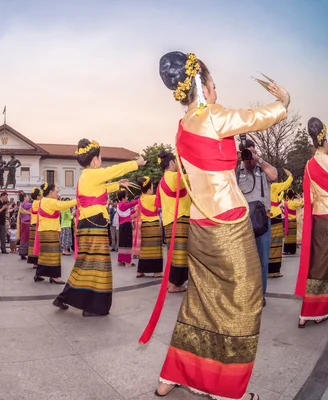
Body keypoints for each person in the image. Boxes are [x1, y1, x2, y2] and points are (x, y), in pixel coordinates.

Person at [152, 51, 289, 399]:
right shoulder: (213, 116)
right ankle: (226, 387)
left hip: (199, 228)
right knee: (245, 300)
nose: (217, 89)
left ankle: (175, 374)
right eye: (214, 83)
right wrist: (284, 101)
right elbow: (259, 117)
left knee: (200, 301)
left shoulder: (182, 128)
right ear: (202, 83)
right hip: (228, 224)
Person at [54, 138, 143, 316]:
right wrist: (136, 163)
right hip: (93, 223)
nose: (101, 161)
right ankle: (92, 306)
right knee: (97, 265)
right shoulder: (92, 174)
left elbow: (100, 188)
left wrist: (118, 185)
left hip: (88, 223)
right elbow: (112, 171)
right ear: (94, 159)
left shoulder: (87, 177)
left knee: (86, 264)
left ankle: (65, 297)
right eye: (100, 157)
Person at [237, 139, 279, 302]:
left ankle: (260, 297)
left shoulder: (263, 169)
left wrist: (258, 159)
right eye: (247, 153)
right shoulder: (236, 170)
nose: (249, 157)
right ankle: (245, 296)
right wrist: (237, 159)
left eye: (252, 152)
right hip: (242, 222)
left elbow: (274, 175)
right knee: (243, 262)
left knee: (262, 261)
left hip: (262, 222)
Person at [296, 117, 328, 328]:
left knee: (318, 264)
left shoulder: (309, 165)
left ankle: (309, 311)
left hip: (319, 221)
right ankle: (317, 311)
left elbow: (309, 198)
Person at [155, 150, 191, 292]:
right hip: (180, 219)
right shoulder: (173, 177)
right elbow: (189, 179)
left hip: (170, 221)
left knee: (174, 254)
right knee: (181, 254)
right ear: (171, 163)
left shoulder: (162, 180)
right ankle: (175, 284)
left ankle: (172, 282)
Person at [33, 183, 76, 284]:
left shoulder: (44, 200)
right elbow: (62, 205)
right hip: (49, 231)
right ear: (51, 192)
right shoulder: (49, 201)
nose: (58, 194)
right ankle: (54, 276)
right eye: (57, 192)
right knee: (54, 254)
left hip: (45, 230)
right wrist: (78, 200)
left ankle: (39, 274)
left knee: (45, 254)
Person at [136, 176, 163, 278]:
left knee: (145, 250)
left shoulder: (140, 199)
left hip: (145, 227)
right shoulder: (153, 198)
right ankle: (156, 271)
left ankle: (140, 270)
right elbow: (160, 203)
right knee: (155, 249)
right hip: (153, 226)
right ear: (149, 189)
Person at [268, 170, 293, 278]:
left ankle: (265, 270)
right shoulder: (272, 186)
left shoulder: (257, 187)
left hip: (263, 217)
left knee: (265, 245)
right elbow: (286, 185)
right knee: (276, 245)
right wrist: (290, 176)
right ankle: (274, 271)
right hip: (275, 216)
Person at [116, 190, 138, 267]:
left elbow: (126, 214)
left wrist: (134, 211)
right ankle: (128, 262)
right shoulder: (123, 205)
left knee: (122, 244)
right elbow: (132, 204)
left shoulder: (120, 205)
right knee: (127, 244)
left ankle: (120, 261)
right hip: (126, 226)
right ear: (123, 198)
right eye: (126, 196)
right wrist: (140, 200)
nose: (127, 198)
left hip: (122, 226)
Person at [283, 190, 303, 255]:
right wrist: (300, 197)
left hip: (288, 222)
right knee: (293, 236)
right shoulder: (294, 203)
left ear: (287, 196)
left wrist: (282, 192)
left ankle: (287, 250)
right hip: (294, 221)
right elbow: (302, 203)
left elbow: (279, 200)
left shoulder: (285, 203)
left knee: (287, 236)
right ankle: (292, 250)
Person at [27, 187, 42, 267]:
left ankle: (34, 262)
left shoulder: (34, 202)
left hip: (33, 224)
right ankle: (36, 262)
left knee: (33, 244)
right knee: (37, 244)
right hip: (37, 224)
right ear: (38, 196)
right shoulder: (39, 202)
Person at [18, 193, 32, 260]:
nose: (28, 198)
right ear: (24, 198)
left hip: (24, 222)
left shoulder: (22, 204)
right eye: (27, 197)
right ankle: (24, 252)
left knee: (24, 237)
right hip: (26, 222)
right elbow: (34, 205)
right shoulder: (25, 204)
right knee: (26, 238)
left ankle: (23, 252)